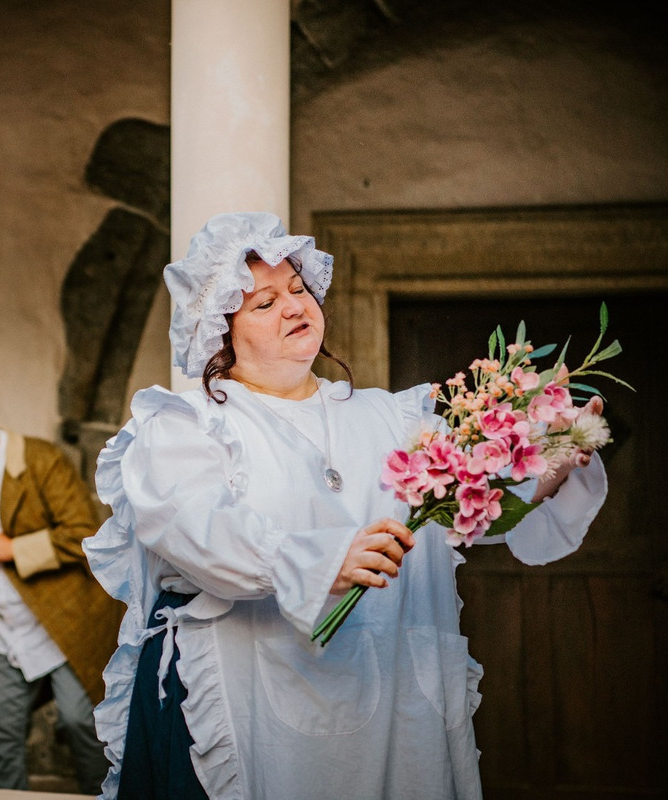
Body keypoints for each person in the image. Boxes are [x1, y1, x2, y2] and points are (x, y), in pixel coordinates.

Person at [82, 212, 609, 799]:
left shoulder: (392, 417)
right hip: (254, 685)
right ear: (220, 332)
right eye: (263, 303)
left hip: (395, 700)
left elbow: (468, 507)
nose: (293, 306)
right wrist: (317, 561)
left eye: (298, 289)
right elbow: (195, 529)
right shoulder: (189, 425)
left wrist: (551, 463)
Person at [0, 408, 123, 794]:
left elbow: (84, 535)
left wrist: (11, 548)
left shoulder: (40, 460)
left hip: (67, 625)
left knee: (83, 725)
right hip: (5, 633)